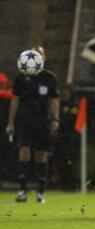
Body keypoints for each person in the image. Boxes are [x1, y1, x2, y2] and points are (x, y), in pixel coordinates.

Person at [6, 46, 60, 203]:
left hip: (43, 121)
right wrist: (10, 122)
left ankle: (40, 192)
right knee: (24, 151)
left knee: (41, 154)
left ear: (44, 58)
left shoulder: (50, 78)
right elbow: (14, 100)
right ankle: (22, 191)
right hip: (24, 120)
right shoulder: (20, 78)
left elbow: (54, 100)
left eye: (40, 55)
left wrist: (55, 119)